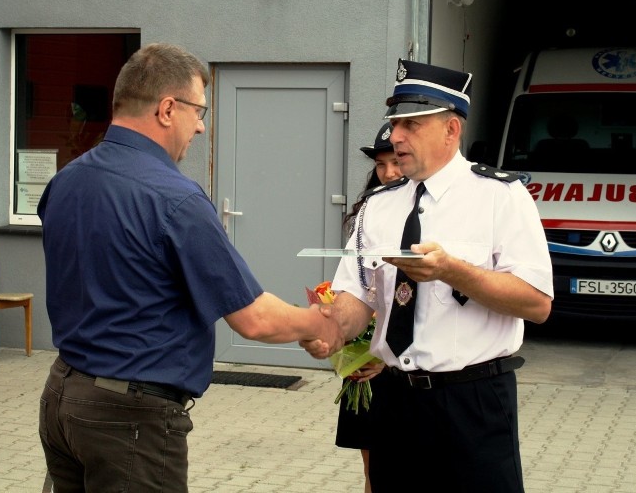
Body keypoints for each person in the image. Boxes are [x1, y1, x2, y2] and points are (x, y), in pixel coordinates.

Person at [36, 42, 343, 493]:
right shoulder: (173, 197)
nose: (200, 127)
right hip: (128, 419)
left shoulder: (67, 180)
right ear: (166, 109)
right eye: (199, 111)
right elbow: (254, 319)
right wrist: (323, 322)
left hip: (64, 397)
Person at [303, 59, 553, 492]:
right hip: (394, 400)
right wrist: (329, 330)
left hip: (471, 401)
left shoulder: (501, 197)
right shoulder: (379, 206)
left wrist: (452, 271)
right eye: (395, 123)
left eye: (411, 125)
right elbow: (356, 296)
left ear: (451, 130)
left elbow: (536, 303)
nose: (396, 136)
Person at [336, 120, 401, 493]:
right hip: (364, 363)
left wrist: (383, 352)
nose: (388, 172)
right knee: (373, 471)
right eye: (380, 164)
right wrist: (347, 341)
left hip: (397, 366)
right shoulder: (368, 211)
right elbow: (357, 285)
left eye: (394, 162)